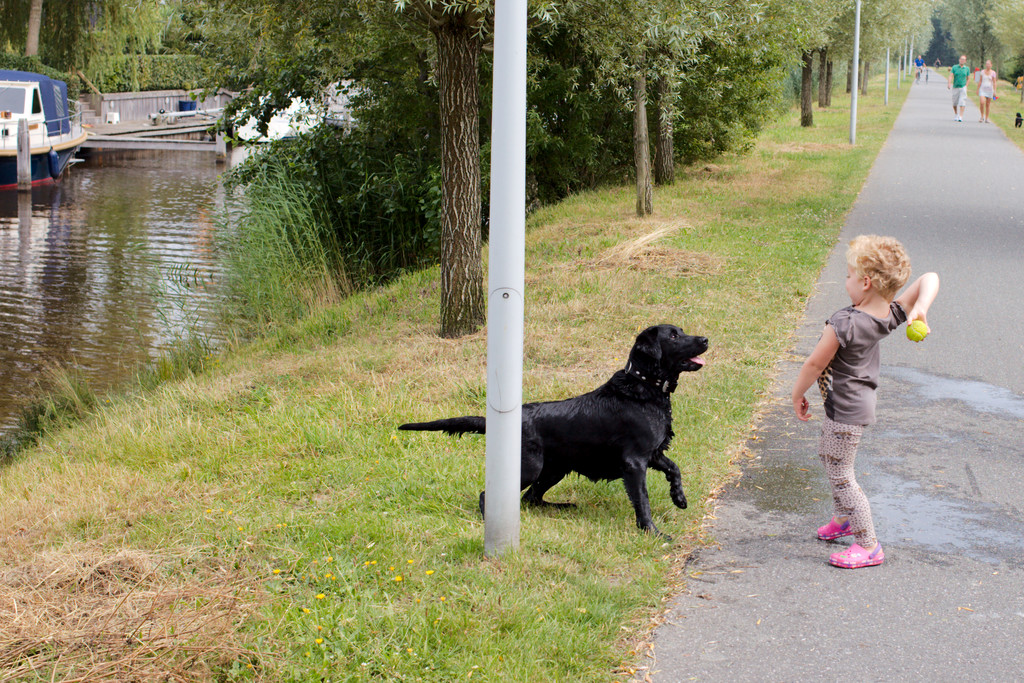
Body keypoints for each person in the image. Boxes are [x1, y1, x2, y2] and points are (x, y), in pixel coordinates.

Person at [792, 236, 940, 569]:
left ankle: (868, 544)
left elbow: (814, 364)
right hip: (849, 407)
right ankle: (843, 520)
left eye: (847, 275)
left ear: (865, 281)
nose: (845, 281)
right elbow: (930, 278)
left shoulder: (843, 324)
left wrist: (796, 393)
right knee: (829, 457)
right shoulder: (887, 315)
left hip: (845, 409)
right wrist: (920, 308)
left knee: (842, 474)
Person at [947, 55, 970, 122]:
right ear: (959, 60)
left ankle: (960, 116)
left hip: (963, 87)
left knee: (962, 101)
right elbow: (951, 76)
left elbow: (968, 78)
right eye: (961, 59)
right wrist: (949, 83)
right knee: (954, 103)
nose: (962, 60)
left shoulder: (966, 69)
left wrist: (966, 86)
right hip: (955, 87)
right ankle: (956, 114)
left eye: (963, 59)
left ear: (965, 61)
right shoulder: (954, 67)